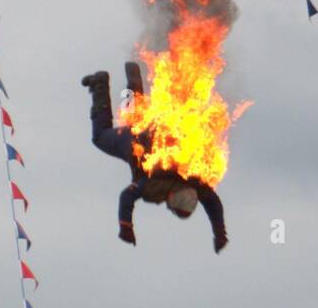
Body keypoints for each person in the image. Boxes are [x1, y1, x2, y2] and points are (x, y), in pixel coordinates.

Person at [82, 69, 229, 252]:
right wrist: (125, 226)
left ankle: (133, 81)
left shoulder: (192, 180)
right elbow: (126, 196)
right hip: (133, 142)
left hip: (150, 132)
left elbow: (212, 202)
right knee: (101, 136)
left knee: (133, 117)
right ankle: (99, 85)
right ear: (170, 202)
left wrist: (220, 233)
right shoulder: (153, 186)